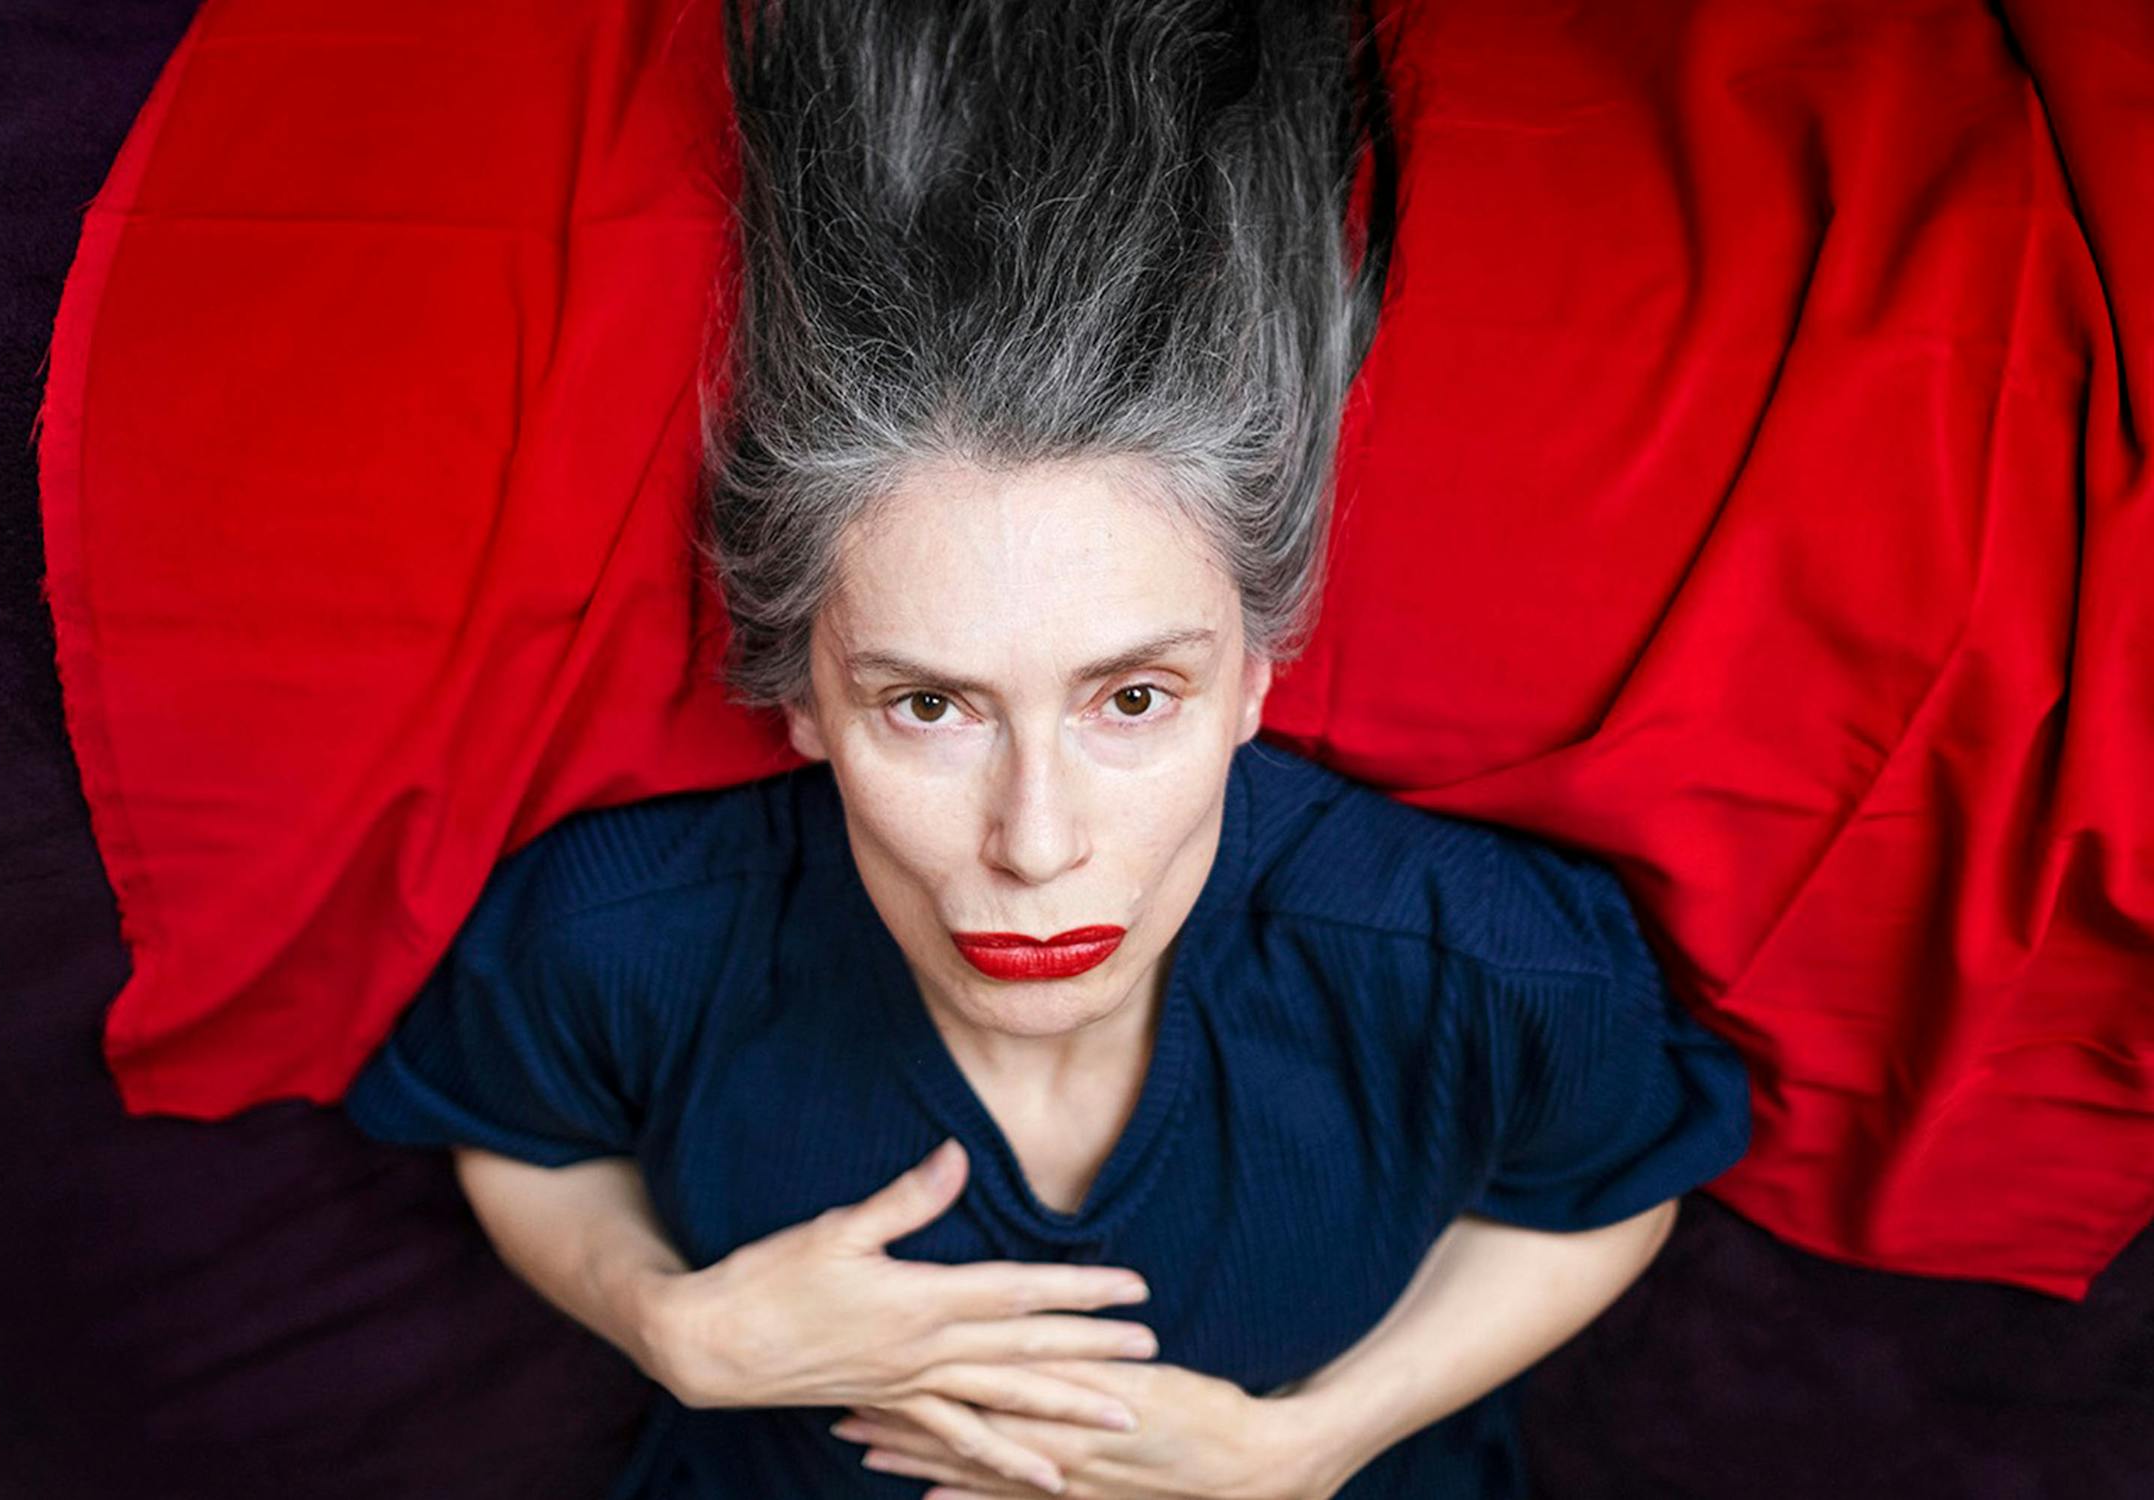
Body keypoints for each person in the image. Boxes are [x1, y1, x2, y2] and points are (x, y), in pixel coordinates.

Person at [342, 1, 1753, 1495]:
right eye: (929, 707)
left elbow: (1592, 1191)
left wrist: (1310, 1446)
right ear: (805, 698)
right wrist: (666, 1325)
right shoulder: (622, 938)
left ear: (1255, 676)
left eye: (1132, 700)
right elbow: (524, 1138)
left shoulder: (1481, 962)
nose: (1034, 840)